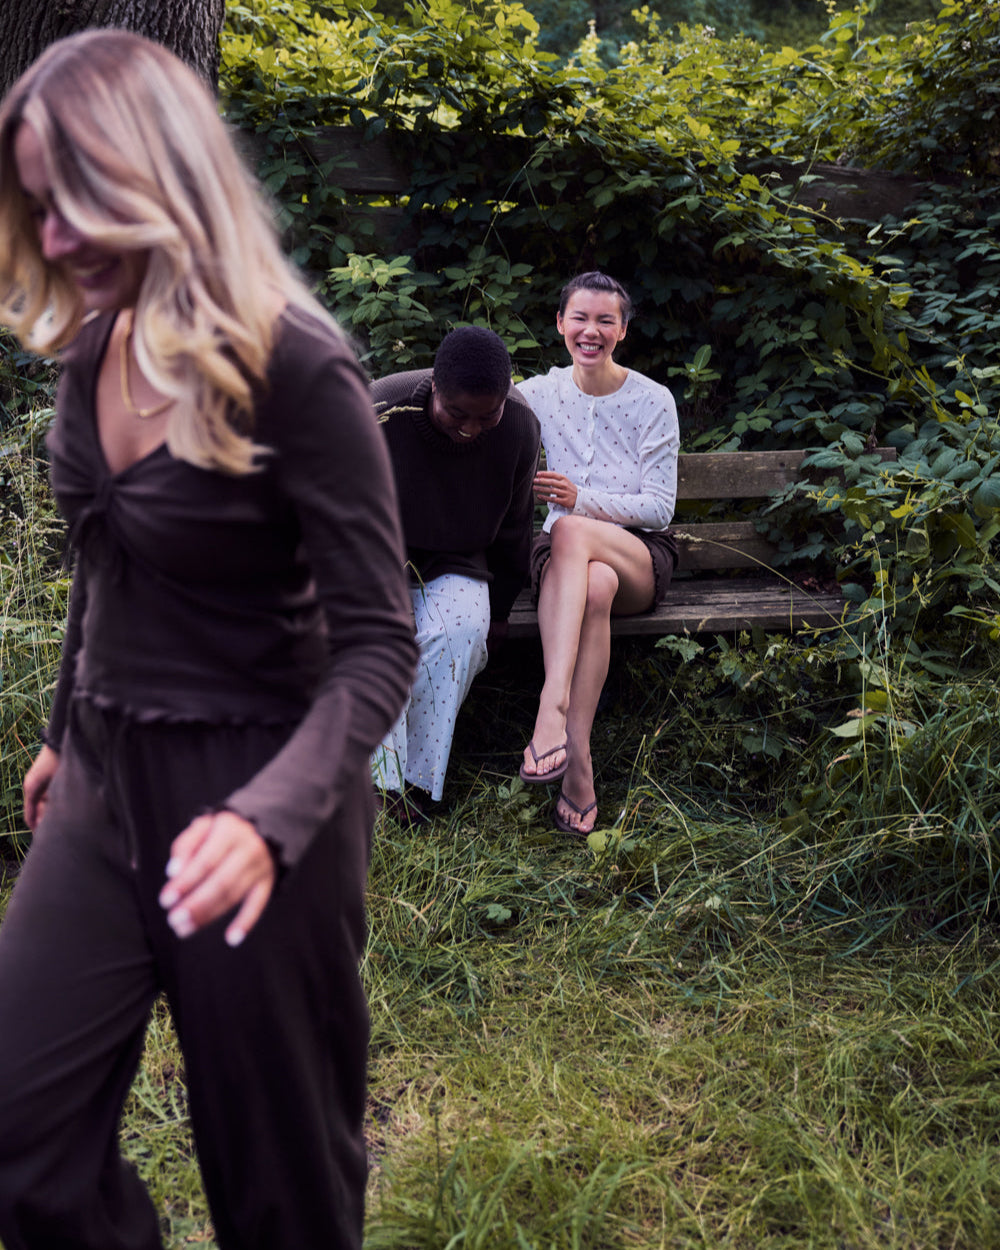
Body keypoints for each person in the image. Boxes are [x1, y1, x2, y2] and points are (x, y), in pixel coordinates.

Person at [0, 29, 417, 1250]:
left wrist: (266, 818)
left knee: (280, 1183)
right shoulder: (96, 342)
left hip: (257, 785)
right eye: (36, 205)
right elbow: (105, 561)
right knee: (19, 1138)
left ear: (160, 175)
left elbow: (379, 642)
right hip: (104, 776)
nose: (54, 237)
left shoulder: (296, 365)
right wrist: (63, 727)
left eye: (75, 200)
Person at [515, 272, 679, 835]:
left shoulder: (653, 400)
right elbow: (476, 398)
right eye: (580, 318)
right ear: (560, 323)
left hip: (639, 552)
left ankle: (551, 707)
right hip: (571, 569)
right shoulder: (538, 394)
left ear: (623, 329)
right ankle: (578, 761)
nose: (591, 331)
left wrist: (580, 500)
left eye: (605, 320)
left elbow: (659, 508)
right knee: (595, 584)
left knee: (571, 531)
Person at [370, 327, 540, 821]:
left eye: (487, 415)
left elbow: (515, 524)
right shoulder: (382, 408)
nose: (471, 428)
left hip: (459, 560)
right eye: (458, 413)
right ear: (434, 389)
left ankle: (417, 785)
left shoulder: (519, 425)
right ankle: (378, 784)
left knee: (460, 631)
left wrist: (500, 611)